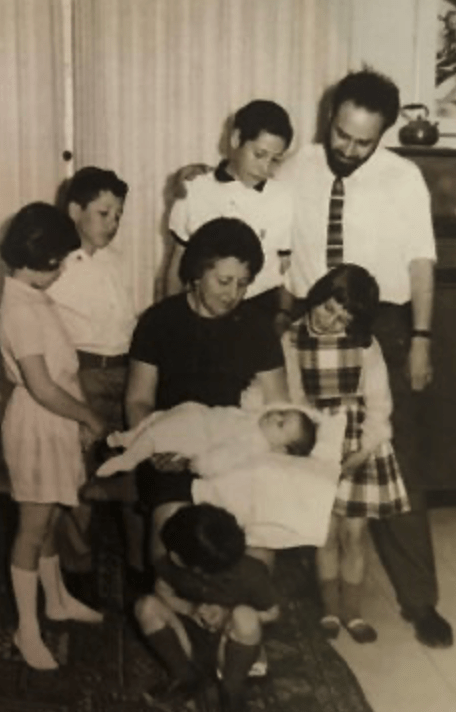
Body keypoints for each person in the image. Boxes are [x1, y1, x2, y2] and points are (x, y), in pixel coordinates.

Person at [277, 68, 452, 648]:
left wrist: (421, 337)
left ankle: (419, 600)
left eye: (364, 141)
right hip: (309, 319)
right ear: (332, 115)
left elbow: (421, 262)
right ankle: (299, 581)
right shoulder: (297, 164)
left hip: (384, 322)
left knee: (397, 462)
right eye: (342, 135)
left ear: (384, 132)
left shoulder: (402, 179)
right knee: (299, 445)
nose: (349, 150)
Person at [126, 216, 289, 569]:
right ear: (197, 273)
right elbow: (138, 400)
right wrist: (155, 443)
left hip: (237, 449)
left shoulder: (257, 329)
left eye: (243, 284)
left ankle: (239, 615)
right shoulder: (158, 322)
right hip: (170, 450)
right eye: (224, 281)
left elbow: (278, 409)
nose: (232, 294)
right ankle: (170, 613)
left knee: (256, 551)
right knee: (172, 538)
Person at [0, 203, 105, 670]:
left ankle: (57, 599)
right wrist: (88, 415)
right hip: (37, 423)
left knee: (52, 518)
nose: (63, 268)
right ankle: (27, 628)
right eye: (60, 260)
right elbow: (41, 387)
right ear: (42, 260)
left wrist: (78, 418)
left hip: (56, 420)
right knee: (32, 527)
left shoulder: (35, 296)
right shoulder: (17, 305)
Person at [289, 264, 410, 643]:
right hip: (316, 444)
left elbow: (379, 405)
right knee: (325, 533)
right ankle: (329, 608)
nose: (333, 321)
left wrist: (362, 451)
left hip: (359, 444)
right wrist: (309, 452)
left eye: (344, 316)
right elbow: (293, 401)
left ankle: (353, 611)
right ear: (318, 294)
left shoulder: (364, 344)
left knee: (354, 533)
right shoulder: (291, 339)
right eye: (329, 309)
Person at [47, 166, 138, 579]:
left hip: (123, 373)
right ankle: (75, 566)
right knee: (76, 476)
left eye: (118, 215)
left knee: (129, 467)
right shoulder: (55, 264)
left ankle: (138, 566)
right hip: (81, 375)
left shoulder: (116, 261)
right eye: (104, 213)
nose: (113, 223)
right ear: (74, 210)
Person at [134, 502, 279, 711]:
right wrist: (190, 609)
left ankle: (232, 688)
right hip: (191, 635)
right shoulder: (169, 565)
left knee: (244, 615)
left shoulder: (251, 572)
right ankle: (184, 676)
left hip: (231, 643)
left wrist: (228, 615)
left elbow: (273, 612)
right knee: (146, 606)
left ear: (179, 557)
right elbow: (161, 591)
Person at [164, 99, 295, 318]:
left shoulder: (282, 198)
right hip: (203, 309)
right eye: (259, 154)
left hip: (258, 311)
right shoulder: (195, 188)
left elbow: (283, 271)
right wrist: (169, 321)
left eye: (275, 160)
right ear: (235, 138)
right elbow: (175, 265)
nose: (265, 168)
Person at [96, 401, 316, 478]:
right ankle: (127, 439)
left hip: (196, 435)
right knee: (156, 419)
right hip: (197, 415)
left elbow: (224, 458)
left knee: (155, 436)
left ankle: (129, 459)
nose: (275, 416)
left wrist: (200, 464)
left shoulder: (253, 443)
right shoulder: (257, 420)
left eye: (281, 424)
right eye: (282, 413)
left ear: (280, 449)